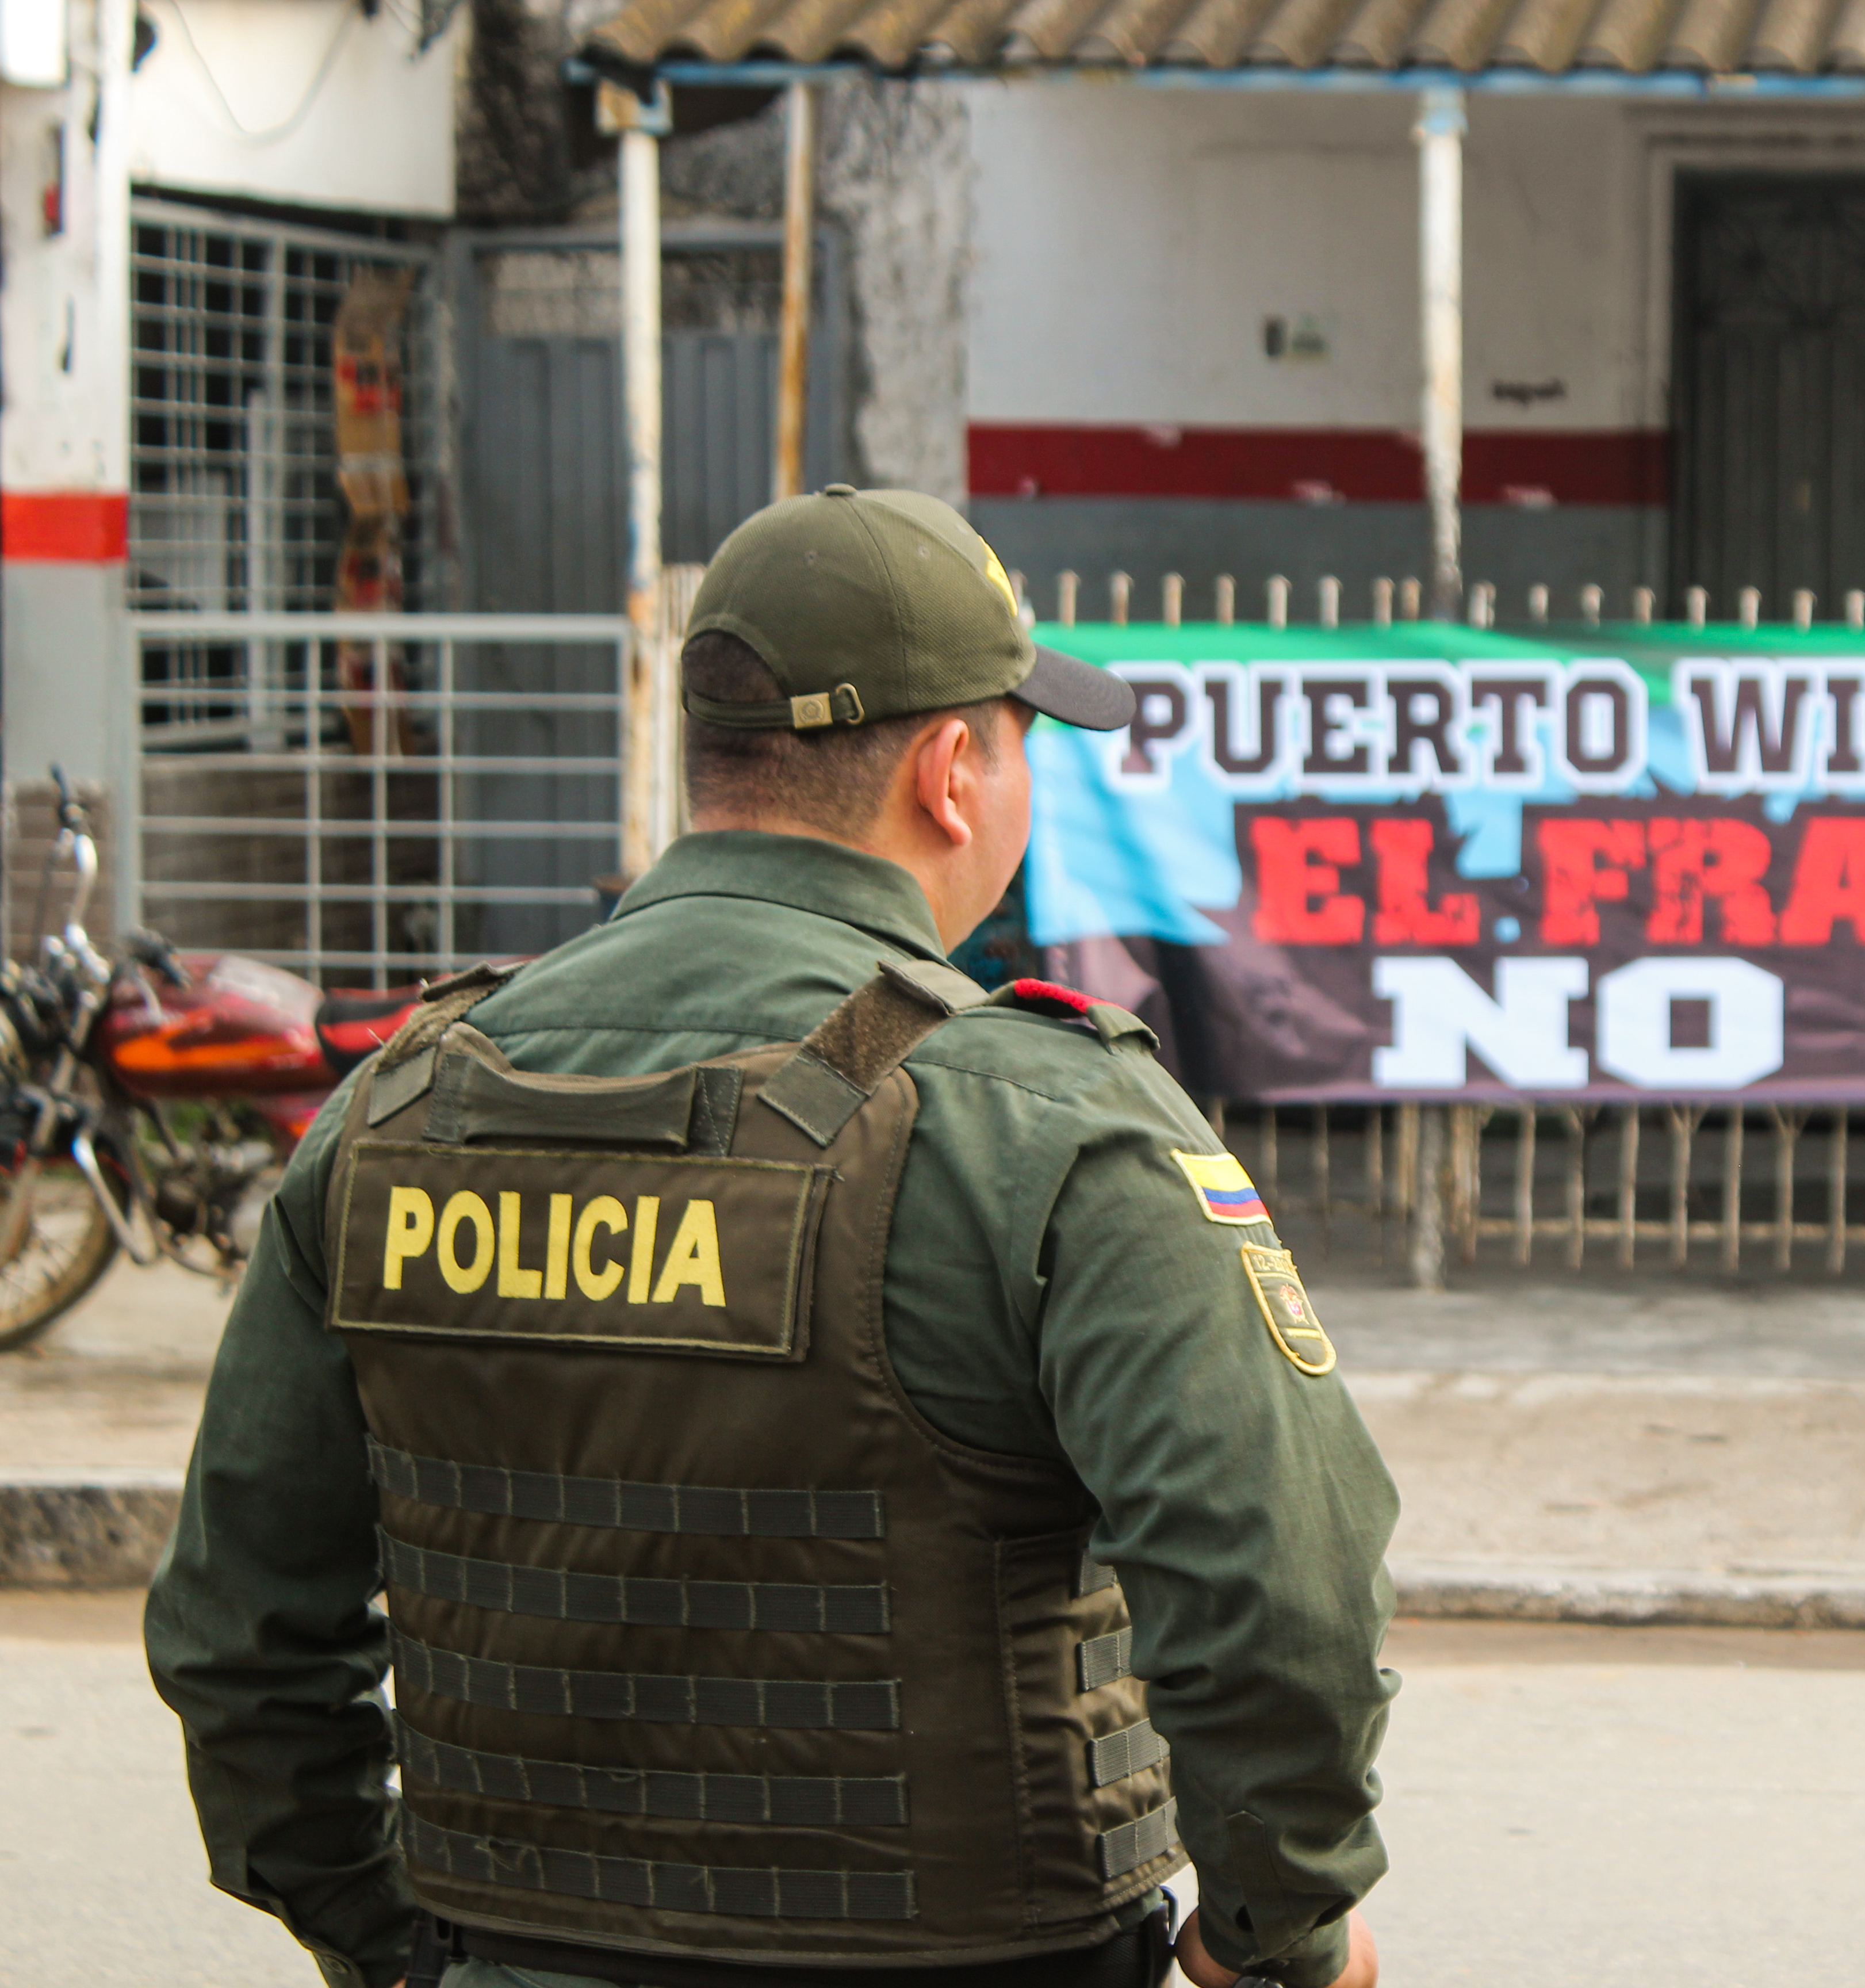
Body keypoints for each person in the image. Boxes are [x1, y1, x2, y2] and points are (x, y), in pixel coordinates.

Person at [145, 485, 1398, 1988]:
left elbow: (240, 1638)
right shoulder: (1047, 1122)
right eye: (1021, 748)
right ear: (951, 773)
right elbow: (1278, 1599)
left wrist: (391, 1944)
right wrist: (1283, 1931)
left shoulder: (402, 1103)